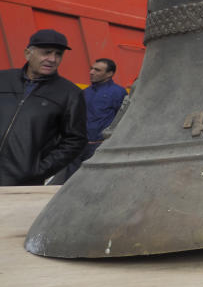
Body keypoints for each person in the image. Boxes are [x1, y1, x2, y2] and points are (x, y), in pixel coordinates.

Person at [0, 29, 86, 186]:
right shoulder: (3, 79)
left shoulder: (70, 93)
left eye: (58, 54)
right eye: (46, 52)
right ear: (28, 53)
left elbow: (75, 140)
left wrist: (37, 170)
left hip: (20, 184)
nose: (52, 59)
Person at [61, 58, 127, 180]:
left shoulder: (118, 93)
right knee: (69, 182)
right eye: (91, 68)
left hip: (99, 147)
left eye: (97, 70)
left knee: (92, 181)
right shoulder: (84, 92)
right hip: (78, 146)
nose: (91, 72)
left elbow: (122, 119)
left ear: (109, 74)